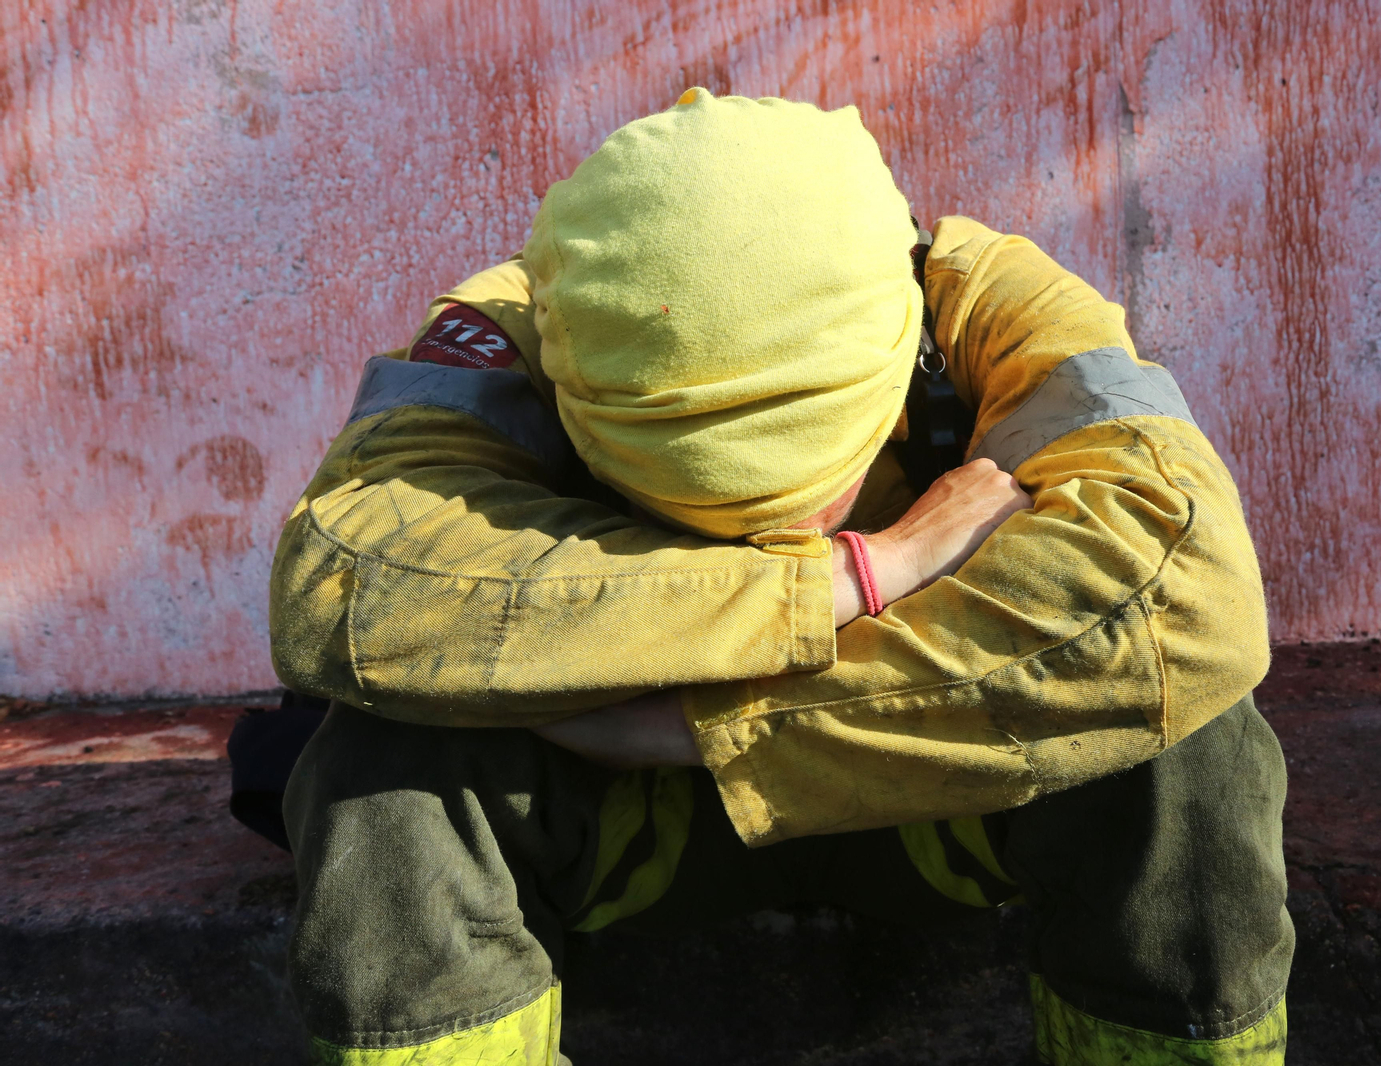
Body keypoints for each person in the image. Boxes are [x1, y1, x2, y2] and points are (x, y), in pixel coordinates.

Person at [270, 89, 1292, 1065]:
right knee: (384, 766)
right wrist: (861, 572)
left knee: (1185, 742)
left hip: (939, 792)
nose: (769, 532)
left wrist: (699, 725)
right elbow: (347, 585)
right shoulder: (516, 324)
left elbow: (1182, 594)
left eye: (808, 487)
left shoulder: (984, 302)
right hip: (635, 823)